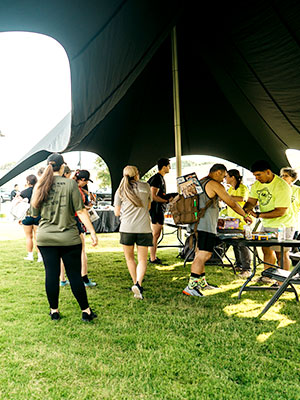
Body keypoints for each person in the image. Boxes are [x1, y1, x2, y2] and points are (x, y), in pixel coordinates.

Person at [31, 153, 98, 321]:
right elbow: (81, 211)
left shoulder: (39, 185)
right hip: (69, 238)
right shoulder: (70, 184)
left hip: (45, 238)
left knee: (51, 275)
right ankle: (86, 311)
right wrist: (92, 232)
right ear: (62, 167)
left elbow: (34, 213)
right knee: (74, 275)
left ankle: (54, 311)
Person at [182, 164, 252, 297]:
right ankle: (191, 286)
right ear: (219, 172)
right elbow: (231, 202)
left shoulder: (200, 182)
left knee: (199, 253)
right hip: (206, 225)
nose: (224, 179)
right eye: (224, 176)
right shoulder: (214, 184)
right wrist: (245, 215)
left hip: (196, 224)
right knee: (204, 255)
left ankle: (202, 283)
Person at [243, 160, 293, 281]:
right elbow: (251, 202)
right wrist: (245, 211)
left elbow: (281, 211)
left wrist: (259, 214)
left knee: (281, 253)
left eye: (259, 175)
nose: (256, 178)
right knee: (266, 250)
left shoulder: (282, 186)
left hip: (283, 225)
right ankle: (267, 277)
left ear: (268, 172)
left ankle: (282, 282)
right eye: (255, 175)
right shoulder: (257, 185)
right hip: (266, 223)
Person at [114, 165, 152, 299]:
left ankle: (135, 282)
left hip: (126, 228)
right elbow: (148, 206)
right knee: (142, 259)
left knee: (129, 258)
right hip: (144, 228)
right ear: (137, 174)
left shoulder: (120, 190)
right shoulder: (146, 186)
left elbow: (117, 212)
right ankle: (138, 283)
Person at [225, 169, 252, 278]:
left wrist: (226, 197)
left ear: (232, 177)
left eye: (226, 176)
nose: (225, 178)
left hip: (242, 220)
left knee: (242, 245)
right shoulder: (230, 189)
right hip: (232, 221)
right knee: (235, 244)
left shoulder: (242, 188)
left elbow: (242, 199)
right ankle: (239, 264)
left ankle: (247, 268)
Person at [73, 169, 97, 287]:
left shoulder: (72, 188)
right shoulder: (77, 191)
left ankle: (63, 279)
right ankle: (84, 278)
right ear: (82, 180)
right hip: (76, 220)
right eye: (86, 181)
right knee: (82, 251)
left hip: (68, 222)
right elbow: (80, 209)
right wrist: (87, 208)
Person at [147, 158, 172, 264]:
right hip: (156, 209)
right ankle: (152, 258)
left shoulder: (160, 178)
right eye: (169, 165)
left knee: (157, 234)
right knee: (156, 234)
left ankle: (153, 256)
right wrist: (166, 200)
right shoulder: (157, 178)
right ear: (164, 166)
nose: (170, 168)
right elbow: (153, 196)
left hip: (158, 209)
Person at [20, 175, 42, 262]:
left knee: (28, 237)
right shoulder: (39, 191)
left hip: (27, 216)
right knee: (37, 237)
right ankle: (40, 257)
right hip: (38, 216)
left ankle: (30, 255)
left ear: (28, 182)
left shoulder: (23, 192)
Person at [280, 167, 300, 243]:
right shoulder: (277, 189)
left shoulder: (297, 190)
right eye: (282, 175)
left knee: (285, 249)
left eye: (286, 175)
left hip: (290, 223)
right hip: (276, 223)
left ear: (293, 178)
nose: (283, 177)